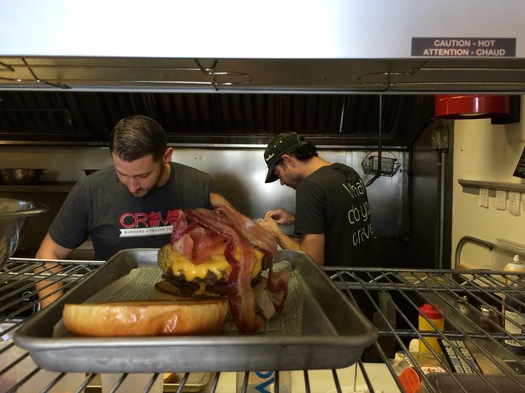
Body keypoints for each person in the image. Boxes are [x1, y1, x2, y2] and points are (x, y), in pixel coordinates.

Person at [35, 115, 216, 307]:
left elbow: (223, 250)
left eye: (142, 175)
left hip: (184, 306)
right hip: (112, 311)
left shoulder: (200, 186)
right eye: (121, 173)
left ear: (166, 156)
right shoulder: (90, 190)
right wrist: (52, 315)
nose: (132, 186)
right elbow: (49, 252)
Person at [257, 132, 374, 267]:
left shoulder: (310, 187)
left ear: (288, 160)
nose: (282, 182)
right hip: (365, 279)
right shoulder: (346, 171)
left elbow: (313, 262)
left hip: (337, 284)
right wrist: (297, 219)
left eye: (279, 174)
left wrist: (276, 234)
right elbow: (341, 223)